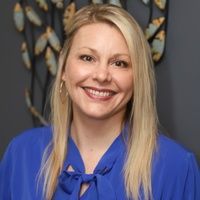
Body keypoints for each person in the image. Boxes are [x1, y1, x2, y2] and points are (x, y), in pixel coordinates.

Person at [0, 4, 199, 200]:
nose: (102, 75)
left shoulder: (176, 167)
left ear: (137, 77)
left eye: (119, 63)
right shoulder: (21, 154)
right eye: (87, 58)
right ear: (63, 68)